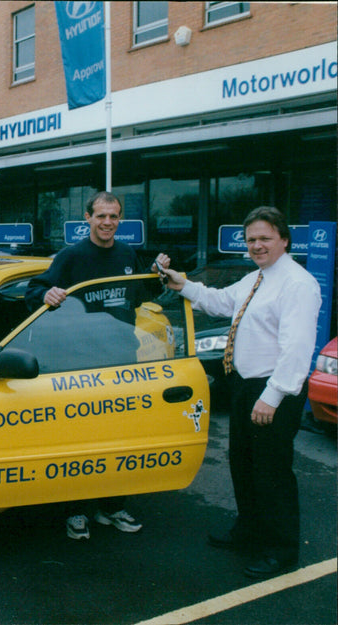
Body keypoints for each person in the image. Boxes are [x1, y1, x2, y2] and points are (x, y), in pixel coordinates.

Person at [159, 206, 320, 579]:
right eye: (251, 240)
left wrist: (273, 396)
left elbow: (296, 349)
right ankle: (249, 530)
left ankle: (281, 549)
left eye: (265, 238)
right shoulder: (256, 279)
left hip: (273, 390)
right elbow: (221, 301)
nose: (257, 246)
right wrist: (182, 284)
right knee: (243, 466)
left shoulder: (298, 284)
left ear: (284, 239)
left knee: (272, 473)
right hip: (246, 385)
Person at [26, 191, 167, 540]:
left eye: (114, 216)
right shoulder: (71, 257)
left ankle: (111, 505)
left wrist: (155, 275)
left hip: (121, 363)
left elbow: (140, 296)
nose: (107, 223)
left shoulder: (126, 254)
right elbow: (34, 290)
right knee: (80, 442)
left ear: (120, 220)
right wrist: (46, 294)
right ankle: (75, 511)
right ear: (87, 218)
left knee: (118, 440)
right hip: (80, 365)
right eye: (101, 216)